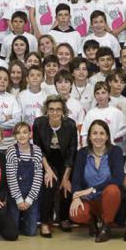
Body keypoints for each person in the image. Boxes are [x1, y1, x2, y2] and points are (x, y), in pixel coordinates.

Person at [68, 120, 125, 242]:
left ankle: (106, 226)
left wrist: (93, 189)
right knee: (76, 214)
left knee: (113, 189)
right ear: (89, 136)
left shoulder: (115, 151)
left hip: (108, 199)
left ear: (107, 136)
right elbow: (76, 179)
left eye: (101, 133)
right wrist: (76, 196)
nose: (98, 137)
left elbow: (118, 179)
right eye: (94, 133)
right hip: (89, 199)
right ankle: (91, 220)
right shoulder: (82, 153)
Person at [33, 95, 77, 236]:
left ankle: (64, 218)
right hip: (46, 158)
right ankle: (45, 222)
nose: (55, 113)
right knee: (49, 183)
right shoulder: (39, 124)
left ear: (63, 111)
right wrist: (47, 169)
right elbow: (37, 148)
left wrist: (65, 177)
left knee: (66, 185)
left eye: (58, 109)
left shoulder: (70, 125)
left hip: (65, 159)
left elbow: (72, 152)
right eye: (51, 109)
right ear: (46, 111)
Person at [4, 122, 45, 238]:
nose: (21, 136)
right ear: (14, 136)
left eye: (25, 132)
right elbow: (11, 178)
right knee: (12, 232)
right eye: (18, 133)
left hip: (32, 194)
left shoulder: (36, 151)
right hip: (15, 195)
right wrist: (19, 200)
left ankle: (23, 218)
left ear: (30, 134)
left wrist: (29, 200)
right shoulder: (11, 151)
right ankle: (16, 219)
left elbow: (38, 177)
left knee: (31, 232)